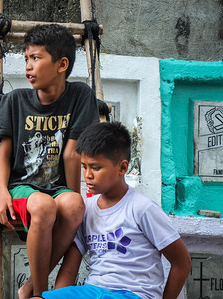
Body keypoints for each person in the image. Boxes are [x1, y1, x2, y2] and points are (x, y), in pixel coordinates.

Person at [0, 24, 99, 298]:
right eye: (26, 58)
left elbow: (71, 153)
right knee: (43, 205)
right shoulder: (15, 100)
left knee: (74, 205)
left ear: (61, 64)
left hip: (58, 187)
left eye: (36, 58)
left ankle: (28, 288)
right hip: (21, 188)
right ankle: (40, 294)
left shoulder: (81, 95)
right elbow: (3, 155)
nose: (28, 66)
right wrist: (2, 192)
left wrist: (78, 201)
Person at [41, 122, 192, 299]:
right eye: (84, 166)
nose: (88, 174)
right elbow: (69, 268)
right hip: (94, 291)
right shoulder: (86, 208)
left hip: (133, 294)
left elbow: (182, 262)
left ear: (122, 167)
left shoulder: (142, 209)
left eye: (96, 168)